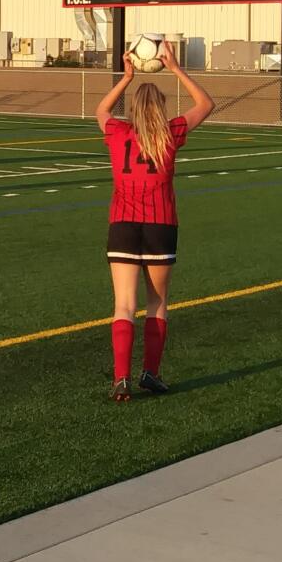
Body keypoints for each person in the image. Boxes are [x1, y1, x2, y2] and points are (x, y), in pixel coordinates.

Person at [95, 40, 214, 401]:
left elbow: (100, 110)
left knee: (123, 305)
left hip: (124, 225)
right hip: (161, 225)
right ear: (161, 108)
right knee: (156, 303)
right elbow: (207, 105)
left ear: (132, 107)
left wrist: (126, 77)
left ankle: (121, 378)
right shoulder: (171, 133)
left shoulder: (117, 133)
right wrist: (176, 68)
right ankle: (150, 373)